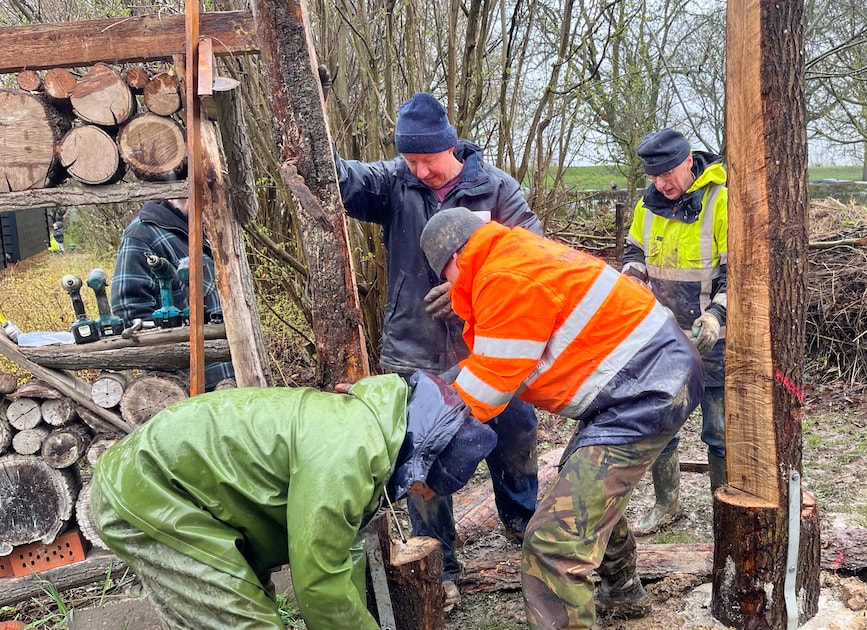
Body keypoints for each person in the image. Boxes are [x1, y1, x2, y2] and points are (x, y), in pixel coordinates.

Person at [419, 208, 704, 628]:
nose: (448, 287)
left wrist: (429, 455)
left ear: (454, 259)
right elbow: (490, 363)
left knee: (553, 544)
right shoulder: (511, 257)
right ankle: (622, 589)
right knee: (581, 487)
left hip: (646, 388)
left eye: (445, 276)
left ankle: (611, 590)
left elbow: (486, 390)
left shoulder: (502, 276)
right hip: (640, 380)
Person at [335, 91, 543, 607]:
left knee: (515, 435)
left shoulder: (496, 189)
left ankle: (524, 526)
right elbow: (336, 178)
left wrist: (469, 288)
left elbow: (534, 257)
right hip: (415, 351)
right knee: (421, 460)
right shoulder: (395, 183)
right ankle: (440, 564)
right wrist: (307, 114)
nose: (420, 170)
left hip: (492, 349)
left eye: (427, 158)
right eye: (410, 159)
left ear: (451, 146)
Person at [91, 370, 496, 630]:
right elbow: (319, 585)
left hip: (190, 495)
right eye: (422, 488)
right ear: (423, 461)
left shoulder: (371, 426)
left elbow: (340, 553)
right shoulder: (350, 455)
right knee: (248, 623)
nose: (413, 495)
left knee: (237, 609)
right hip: (150, 490)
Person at [621, 128, 729, 535]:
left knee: (718, 432)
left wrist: (716, 316)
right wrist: (632, 281)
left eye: (667, 174)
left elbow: (736, 272)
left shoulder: (719, 201)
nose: (661, 183)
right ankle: (667, 504)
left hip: (713, 341)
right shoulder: (647, 205)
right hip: (663, 342)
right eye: (654, 176)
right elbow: (634, 252)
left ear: (688, 162)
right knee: (662, 426)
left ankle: (725, 509)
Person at [111, 198, 233, 389]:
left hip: (230, 375)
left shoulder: (204, 227)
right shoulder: (141, 235)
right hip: (186, 386)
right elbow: (129, 311)